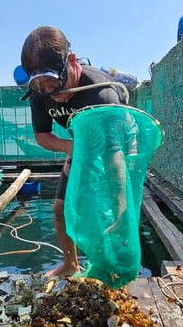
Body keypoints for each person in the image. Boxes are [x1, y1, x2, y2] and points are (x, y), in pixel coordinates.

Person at [20, 25, 127, 277]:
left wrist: (120, 203)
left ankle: (111, 267)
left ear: (70, 61)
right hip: (79, 146)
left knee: (107, 212)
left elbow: (115, 155)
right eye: (40, 85)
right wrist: (69, 147)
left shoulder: (101, 95)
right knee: (60, 209)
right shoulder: (40, 92)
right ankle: (70, 264)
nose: (50, 92)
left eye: (53, 82)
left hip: (112, 148)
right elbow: (42, 135)